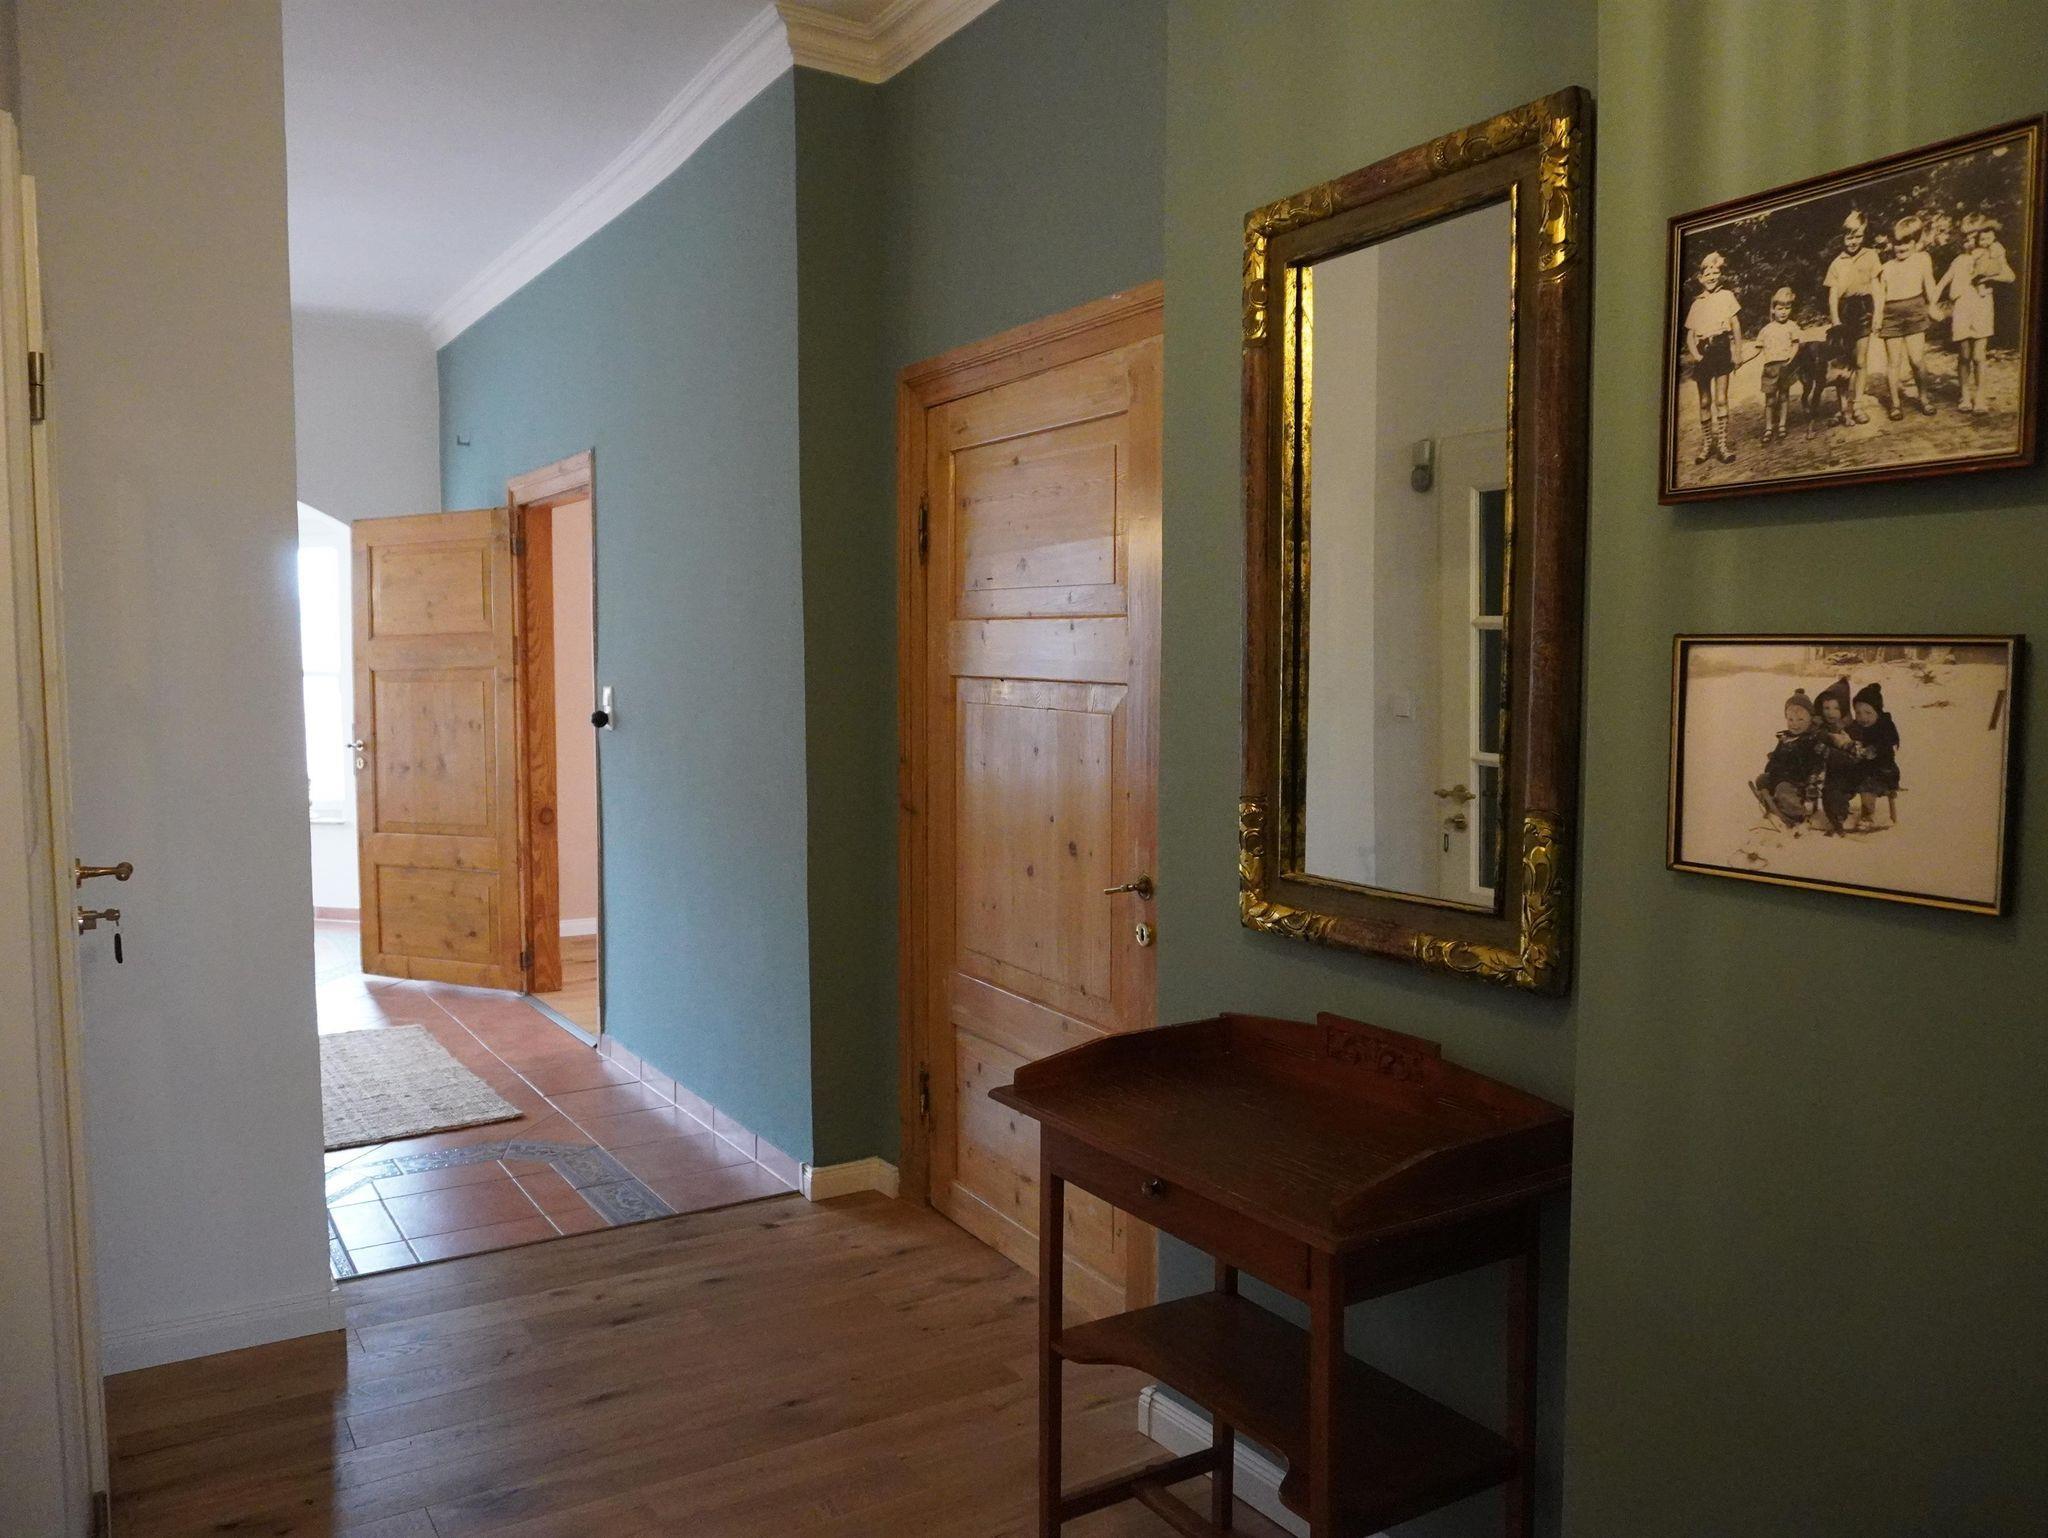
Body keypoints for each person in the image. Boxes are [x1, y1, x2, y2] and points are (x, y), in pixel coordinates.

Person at [1937, 213, 2016, 414]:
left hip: (1981, 307)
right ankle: (1964, 394)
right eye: (1965, 237)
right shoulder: (1959, 260)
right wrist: (1932, 304)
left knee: (1979, 356)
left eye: (1973, 236)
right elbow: (1943, 281)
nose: (1968, 241)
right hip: (1962, 310)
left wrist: (1987, 277)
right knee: (1964, 355)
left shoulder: (1992, 255)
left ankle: (1980, 396)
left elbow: (2009, 276)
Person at [1876, 215, 1942, 419]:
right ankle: (1895, 404)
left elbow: (1929, 284)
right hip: (1891, 315)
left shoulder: (1922, 259)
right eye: (1897, 243)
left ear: (1915, 242)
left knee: (1917, 359)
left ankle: (1924, 398)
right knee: (1893, 362)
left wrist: (1933, 306)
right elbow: (1880, 294)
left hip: (1915, 311)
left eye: (1906, 242)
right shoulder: (1886, 267)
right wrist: (1877, 316)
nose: (1901, 247)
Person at [1684, 250, 1742, 465]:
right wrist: (1696, 355)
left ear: (1720, 275)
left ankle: (1722, 446)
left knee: (1721, 399)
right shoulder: (1696, 303)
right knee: (1704, 402)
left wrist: (1738, 352)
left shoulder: (1727, 296)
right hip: (1703, 353)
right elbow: (1690, 336)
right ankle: (1707, 444)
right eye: (1707, 274)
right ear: (1700, 278)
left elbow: (1735, 325)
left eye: (1715, 272)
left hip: (1721, 350)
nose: (1711, 277)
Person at [1824, 210, 1882, 423]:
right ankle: (1842, 407)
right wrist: (1835, 320)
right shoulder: (1837, 262)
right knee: (1843, 362)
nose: (1853, 241)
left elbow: (1877, 287)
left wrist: (1878, 314)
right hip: (1844, 311)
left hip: (1864, 309)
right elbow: (1833, 295)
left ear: (1864, 235)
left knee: (1860, 360)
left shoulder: (1871, 256)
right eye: (1849, 237)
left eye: (1858, 236)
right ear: (1843, 237)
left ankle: (1857, 404)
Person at [1754, 689, 1822, 826]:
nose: (1794, 724)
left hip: (1799, 782)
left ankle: (1796, 812)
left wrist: (1810, 780)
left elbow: (1813, 764)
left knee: (1783, 789)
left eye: (1800, 720)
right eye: (1790, 719)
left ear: (1810, 720)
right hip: (1781, 777)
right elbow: (1776, 758)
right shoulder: (1786, 738)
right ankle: (1772, 801)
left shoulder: (1811, 740)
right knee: (1762, 779)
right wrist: (1772, 765)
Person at [1848, 681, 1903, 830]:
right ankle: (1839, 810)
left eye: (1868, 713)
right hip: (1863, 769)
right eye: (1858, 713)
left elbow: (1887, 745)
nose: (1862, 717)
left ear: (1878, 712)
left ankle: (1867, 815)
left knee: (1867, 785)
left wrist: (1875, 750)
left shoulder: (1885, 727)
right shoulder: (1856, 727)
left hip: (1884, 771)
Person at [1813, 676, 1861, 832]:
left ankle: (1840, 816)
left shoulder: (1852, 728)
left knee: (1835, 790)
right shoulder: (1820, 729)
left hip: (1848, 773)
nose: (1830, 713)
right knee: (1828, 791)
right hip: (1824, 774)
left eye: (1836, 708)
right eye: (1826, 708)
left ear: (1844, 709)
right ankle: (1834, 817)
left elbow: (1856, 755)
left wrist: (1834, 751)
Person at [1755, 287, 1803, 443]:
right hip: (1770, 368)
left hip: (1785, 366)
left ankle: (1782, 424)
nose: (1784, 312)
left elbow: (1796, 344)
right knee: (1770, 399)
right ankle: (1769, 427)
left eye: (1787, 308)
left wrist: (1791, 357)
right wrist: (1741, 360)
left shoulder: (1792, 326)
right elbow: (1757, 349)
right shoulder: (1766, 330)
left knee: (1783, 396)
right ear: (1773, 310)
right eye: (1780, 308)